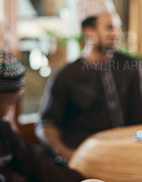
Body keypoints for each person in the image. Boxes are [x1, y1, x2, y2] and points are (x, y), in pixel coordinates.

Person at [35, 0, 142, 162]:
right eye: (110, 28)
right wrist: (67, 155)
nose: (116, 33)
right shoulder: (66, 76)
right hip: (83, 160)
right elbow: (46, 125)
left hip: (127, 157)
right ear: (89, 32)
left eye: (117, 28)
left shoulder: (130, 66)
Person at [0, 50, 84, 181]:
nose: (11, 110)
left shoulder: (4, 132)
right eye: (10, 103)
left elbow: (35, 163)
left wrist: (80, 178)